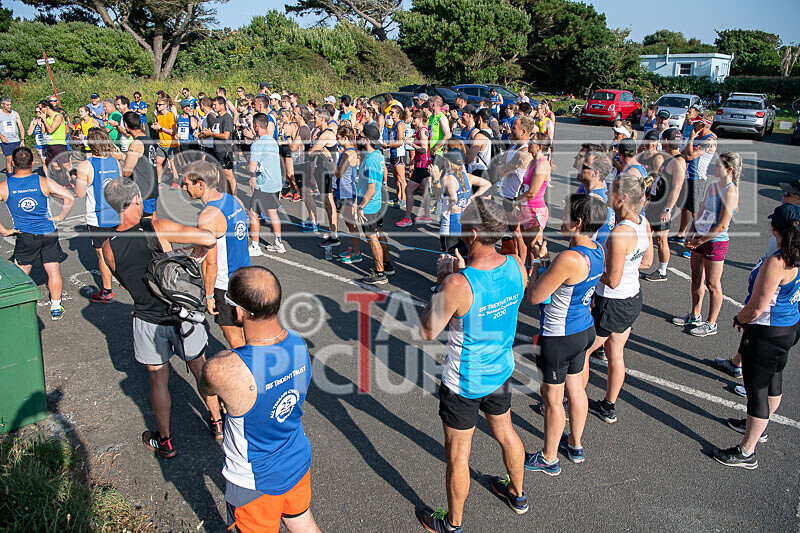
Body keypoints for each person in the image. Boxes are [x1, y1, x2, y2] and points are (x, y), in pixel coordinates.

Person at [419, 198, 529, 533]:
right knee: (506, 433)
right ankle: (518, 494)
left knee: (458, 455)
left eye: (464, 222)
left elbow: (427, 330)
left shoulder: (458, 284)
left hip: (463, 382)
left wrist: (442, 282)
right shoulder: (516, 265)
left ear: (476, 233)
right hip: (500, 371)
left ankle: (452, 524)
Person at [101, 177, 223, 455]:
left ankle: (165, 440)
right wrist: (191, 256)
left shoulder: (108, 246)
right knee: (199, 368)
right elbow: (208, 238)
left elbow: (123, 282)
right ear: (136, 201)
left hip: (146, 318)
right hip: (182, 315)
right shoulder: (156, 227)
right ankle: (217, 422)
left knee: (158, 379)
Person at [200, 266, 322, 533]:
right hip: (296, 459)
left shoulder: (223, 369)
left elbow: (207, 387)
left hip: (255, 480)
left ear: (240, 312)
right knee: (303, 523)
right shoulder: (299, 344)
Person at [712, 203, 800, 469]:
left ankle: (747, 451)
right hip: (789, 327)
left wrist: (741, 318)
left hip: (768, 331)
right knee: (774, 380)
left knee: (757, 389)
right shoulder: (792, 255)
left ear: (777, 228)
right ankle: (758, 427)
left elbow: (758, 306)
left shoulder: (779, 261)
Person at [525, 194, 607, 474]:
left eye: (565, 215)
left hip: (559, 335)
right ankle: (575, 444)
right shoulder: (597, 249)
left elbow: (535, 296)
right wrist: (548, 261)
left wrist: (537, 262)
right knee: (576, 389)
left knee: (552, 398)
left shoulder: (569, 257)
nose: (561, 218)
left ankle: (549, 458)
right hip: (583, 330)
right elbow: (567, 284)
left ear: (578, 223)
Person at [583, 174, 654, 424]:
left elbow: (611, 280)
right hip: (631, 298)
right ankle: (608, 405)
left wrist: (589, 272)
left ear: (622, 197)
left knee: (582, 353)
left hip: (612, 302)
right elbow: (647, 261)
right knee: (616, 353)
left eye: (611, 192)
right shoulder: (643, 222)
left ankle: (572, 401)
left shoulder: (620, 233)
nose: (607, 197)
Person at [182, 160, 251, 349]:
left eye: (187, 184)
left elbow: (210, 264)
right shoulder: (234, 200)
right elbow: (229, 237)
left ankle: (250, 377)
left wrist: (209, 295)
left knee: (237, 342)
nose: (184, 188)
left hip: (225, 284)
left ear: (201, 185)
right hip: (246, 275)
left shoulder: (207, 217)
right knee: (250, 334)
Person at [0, 147, 74, 320]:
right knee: (53, 270)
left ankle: (16, 309)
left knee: (20, 273)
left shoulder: (5, 186)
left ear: (12, 163)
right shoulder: (43, 181)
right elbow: (69, 198)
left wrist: (4, 231)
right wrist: (60, 217)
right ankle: (56, 307)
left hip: (25, 235)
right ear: (32, 163)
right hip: (48, 231)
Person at [672, 152, 740, 337]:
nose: (714, 168)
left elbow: (722, 225)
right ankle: (695, 315)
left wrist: (699, 241)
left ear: (729, 169)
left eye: (718, 165)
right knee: (696, 276)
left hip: (715, 241)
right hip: (699, 238)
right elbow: (700, 212)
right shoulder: (713, 186)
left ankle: (711, 323)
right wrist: (690, 234)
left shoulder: (730, 191)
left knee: (712, 283)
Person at [74, 128, 120, 304]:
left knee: (102, 255)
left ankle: (107, 291)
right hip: (116, 212)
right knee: (117, 249)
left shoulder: (85, 165)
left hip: (98, 216)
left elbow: (79, 193)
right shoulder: (115, 162)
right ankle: (124, 281)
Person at [641, 129, 687, 282]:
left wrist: (667, 209)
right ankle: (640, 262)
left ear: (667, 141)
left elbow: (677, 187)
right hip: (654, 202)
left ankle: (662, 271)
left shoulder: (678, 161)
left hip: (663, 206)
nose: (660, 141)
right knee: (645, 233)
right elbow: (656, 179)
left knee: (661, 239)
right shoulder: (667, 158)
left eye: (662, 139)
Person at [434, 148, 491, 256]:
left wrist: (436, 179)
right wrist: (472, 198)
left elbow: (446, 198)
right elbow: (487, 184)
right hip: (465, 226)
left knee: (449, 258)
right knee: (464, 257)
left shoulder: (448, 179)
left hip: (450, 227)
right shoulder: (468, 177)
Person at [356, 124, 395, 285]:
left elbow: (371, 188)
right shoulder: (377, 154)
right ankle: (387, 264)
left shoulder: (371, 159)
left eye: (361, 134)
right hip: (377, 203)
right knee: (379, 233)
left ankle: (380, 273)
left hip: (370, 206)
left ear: (366, 139)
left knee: (372, 238)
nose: (358, 136)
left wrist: (360, 206)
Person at [673, 117, 716, 247]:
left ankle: (698, 242)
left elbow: (690, 155)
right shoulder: (697, 135)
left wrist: (691, 139)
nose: (692, 125)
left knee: (696, 212)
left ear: (702, 125)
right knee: (685, 207)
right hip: (688, 176)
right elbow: (684, 152)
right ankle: (681, 235)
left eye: (695, 123)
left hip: (697, 178)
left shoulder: (710, 140)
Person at [497, 116, 535, 257]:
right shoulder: (514, 146)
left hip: (515, 198)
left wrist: (502, 167)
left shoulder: (524, 152)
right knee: (511, 232)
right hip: (507, 196)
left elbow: (501, 170)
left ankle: (522, 266)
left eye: (514, 128)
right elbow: (500, 165)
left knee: (518, 233)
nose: (511, 130)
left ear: (523, 131)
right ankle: (515, 259)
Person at [248, 113, 286, 255]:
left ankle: (255, 245)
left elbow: (252, 168)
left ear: (256, 126)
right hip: (275, 183)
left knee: (253, 213)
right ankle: (278, 243)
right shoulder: (272, 141)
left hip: (263, 184)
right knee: (273, 212)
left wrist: (249, 168)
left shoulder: (257, 144)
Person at [516, 133, 551, 274]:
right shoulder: (532, 161)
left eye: (532, 141)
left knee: (536, 246)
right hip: (526, 207)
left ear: (540, 146)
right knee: (530, 245)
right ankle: (533, 272)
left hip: (535, 209)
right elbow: (524, 185)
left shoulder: (542, 165)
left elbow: (532, 192)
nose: (529, 143)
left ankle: (545, 273)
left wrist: (515, 201)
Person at [306, 108, 339, 244]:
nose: (314, 120)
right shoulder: (320, 133)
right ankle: (332, 231)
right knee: (326, 203)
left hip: (327, 171)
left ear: (322, 119)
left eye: (316, 118)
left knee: (329, 202)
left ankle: (334, 235)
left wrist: (313, 148)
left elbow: (311, 152)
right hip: (321, 170)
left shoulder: (326, 134)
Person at [396, 110, 432, 227]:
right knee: (423, 189)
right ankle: (426, 215)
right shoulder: (420, 131)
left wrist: (411, 144)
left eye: (415, 118)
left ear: (420, 119)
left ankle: (407, 218)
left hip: (422, 165)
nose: (413, 120)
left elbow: (424, 149)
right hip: (423, 164)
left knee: (408, 190)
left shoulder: (423, 131)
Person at [122, 111, 159, 218]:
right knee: (154, 222)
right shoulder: (147, 139)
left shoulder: (136, 144)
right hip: (152, 186)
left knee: (146, 224)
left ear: (126, 125)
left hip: (143, 189)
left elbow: (126, 171)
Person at [151, 97, 179, 189]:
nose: (158, 106)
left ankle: (176, 182)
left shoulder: (170, 116)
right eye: (157, 104)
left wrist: (161, 128)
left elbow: (173, 131)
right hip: (162, 143)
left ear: (166, 106)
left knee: (173, 163)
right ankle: (159, 182)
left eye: (160, 105)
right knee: (158, 162)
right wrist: (155, 127)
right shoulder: (159, 116)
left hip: (171, 144)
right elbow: (159, 128)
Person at [386, 105, 407, 209]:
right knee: (396, 178)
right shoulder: (393, 125)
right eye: (390, 112)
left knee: (401, 178)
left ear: (398, 114)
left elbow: (400, 142)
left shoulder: (400, 125)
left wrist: (388, 145)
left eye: (392, 112)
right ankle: (398, 197)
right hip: (393, 153)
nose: (390, 114)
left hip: (399, 153)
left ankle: (404, 199)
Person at [0, 97, 25, 175]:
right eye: (7, 105)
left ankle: (18, 174)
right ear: (2, 105)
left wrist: (23, 139)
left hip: (16, 140)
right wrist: (1, 136)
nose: (9, 106)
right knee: (9, 158)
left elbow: (21, 127)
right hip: (5, 140)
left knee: (17, 158)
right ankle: (10, 175)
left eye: (10, 104)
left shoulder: (15, 113)